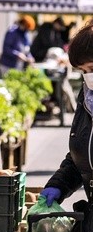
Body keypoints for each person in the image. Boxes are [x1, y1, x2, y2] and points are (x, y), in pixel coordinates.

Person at [38, 18, 93, 211]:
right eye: (83, 71)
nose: (88, 76)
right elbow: (82, 156)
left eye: (92, 68)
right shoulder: (87, 97)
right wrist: (59, 185)